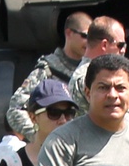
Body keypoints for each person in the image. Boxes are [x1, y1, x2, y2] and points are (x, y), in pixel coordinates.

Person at [5, 11, 90, 141]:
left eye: (92, 38)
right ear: (69, 33)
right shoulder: (48, 69)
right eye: (85, 36)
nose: (88, 42)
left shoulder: (91, 70)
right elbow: (16, 110)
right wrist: (40, 136)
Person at [68, 16, 127, 115]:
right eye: (120, 45)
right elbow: (121, 118)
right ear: (104, 45)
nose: (123, 50)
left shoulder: (87, 73)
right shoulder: (89, 76)